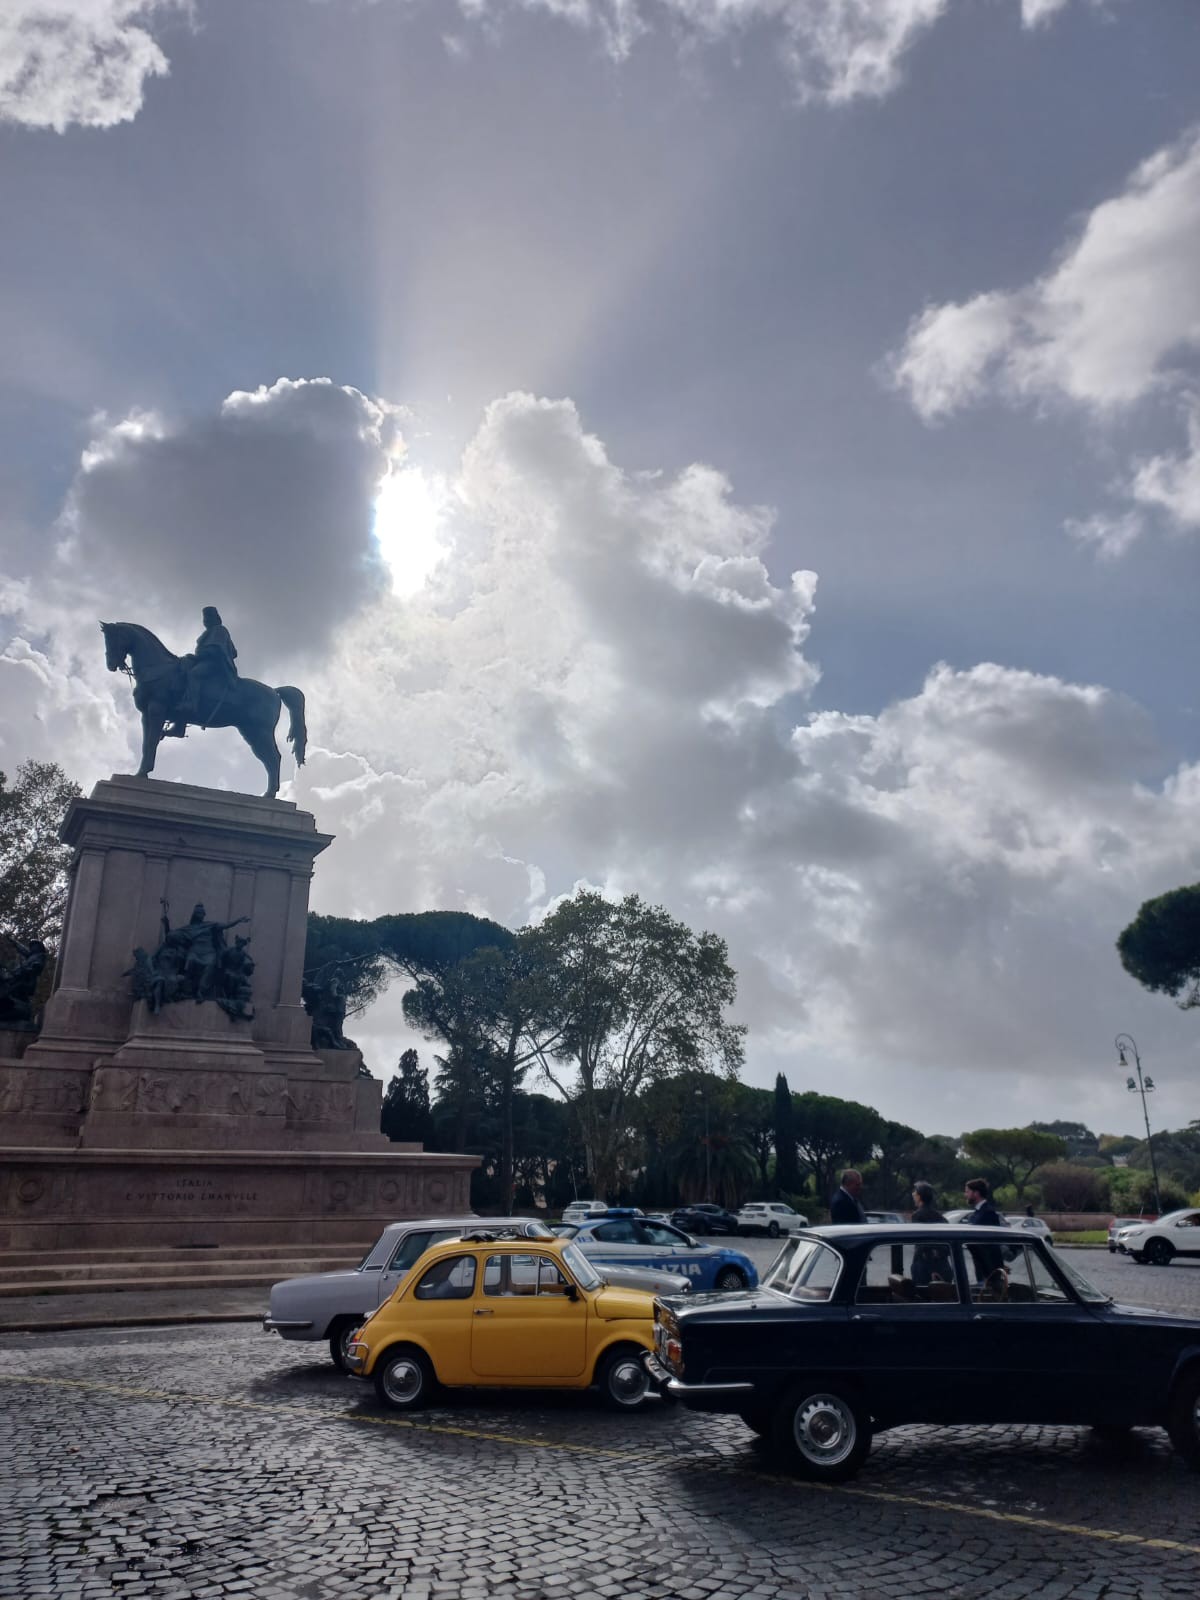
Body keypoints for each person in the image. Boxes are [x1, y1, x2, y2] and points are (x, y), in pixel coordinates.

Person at [169, 606, 239, 732]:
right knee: (182, 669)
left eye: (208, 618)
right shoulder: (210, 632)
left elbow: (217, 650)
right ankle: (180, 725)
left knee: (194, 674)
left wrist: (198, 657)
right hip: (204, 660)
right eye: (204, 618)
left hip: (215, 664)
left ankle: (191, 704)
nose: (206, 621)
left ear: (215, 618)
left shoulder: (220, 630)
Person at [963, 1177, 1005, 1283]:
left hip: (989, 1269)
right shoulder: (978, 1212)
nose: (965, 1195)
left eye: (967, 1192)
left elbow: (991, 1244)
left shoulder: (988, 1212)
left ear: (976, 1193)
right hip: (982, 1267)